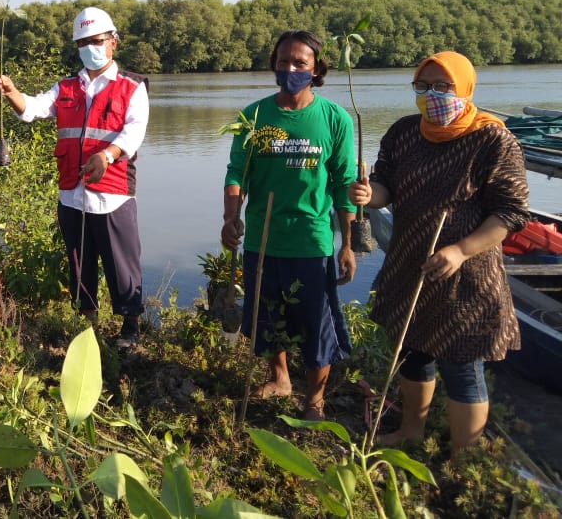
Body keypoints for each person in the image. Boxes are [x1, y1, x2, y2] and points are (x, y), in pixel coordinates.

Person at [349, 51, 527, 455]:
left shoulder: (492, 139)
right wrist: (368, 194)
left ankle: (463, 457)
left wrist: (460, 251)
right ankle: (411, 431)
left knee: (462, 366)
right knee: (413, 354)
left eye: (442, 86)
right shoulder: (405, 132)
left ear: (463, 87)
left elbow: (511, 214)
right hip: (410, 264)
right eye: (423, 86)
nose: (432, 95)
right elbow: (384, 188)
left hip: (465, 274)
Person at [0, 7, 149, 348]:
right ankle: (88, 328)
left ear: (113, 43)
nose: (89, 48)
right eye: (82, 43)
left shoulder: (132, 87)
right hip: (72, 196)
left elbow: (133, 134)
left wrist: (106, 156)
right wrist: (12, 93)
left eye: (95, 41)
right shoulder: (65, 87)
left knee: (122, 265)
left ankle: (130, 327)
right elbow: (33, 108)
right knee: (80, 267)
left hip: (113, 195)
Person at [221, 30, 356, 420]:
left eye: (300, 63)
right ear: (273, 66)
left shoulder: (334, 119)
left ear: (317, 69)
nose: (291, 69)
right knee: (266, 320)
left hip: (312, 242)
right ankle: (280, 379)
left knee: (317, 328)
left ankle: (314, 399)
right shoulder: (254, 116)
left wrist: (347, 243)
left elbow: (344, 182)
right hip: (263, 240)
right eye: (283, 62)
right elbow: (236, 174)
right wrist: (231, 217)